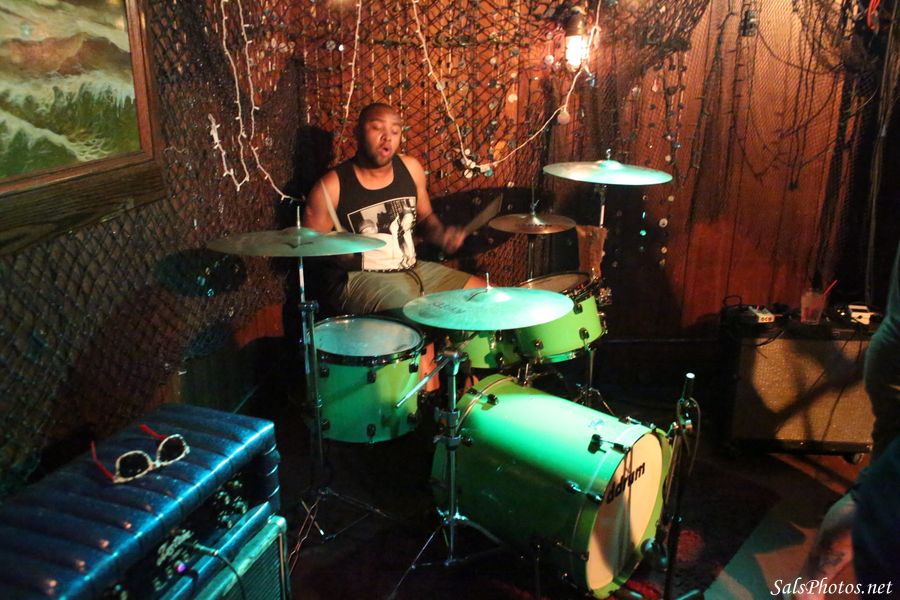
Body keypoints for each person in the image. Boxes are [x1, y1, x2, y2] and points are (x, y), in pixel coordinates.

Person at [786, 240, 900, 600]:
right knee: (878, 493)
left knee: (878, 488)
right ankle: (806, 591)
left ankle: (806, 591)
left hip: (892, 358)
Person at [303, 102, 484, 315]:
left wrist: (441, 235)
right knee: (419, 316)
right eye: (377, 128)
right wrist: (338, 255)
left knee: (487, 297)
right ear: (357, 132)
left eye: (395, 131)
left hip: (412, 269)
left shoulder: (411, 169)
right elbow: (308, 249)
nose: (387, 137)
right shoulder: (332, 186)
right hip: (360, 278)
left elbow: (425, 218)